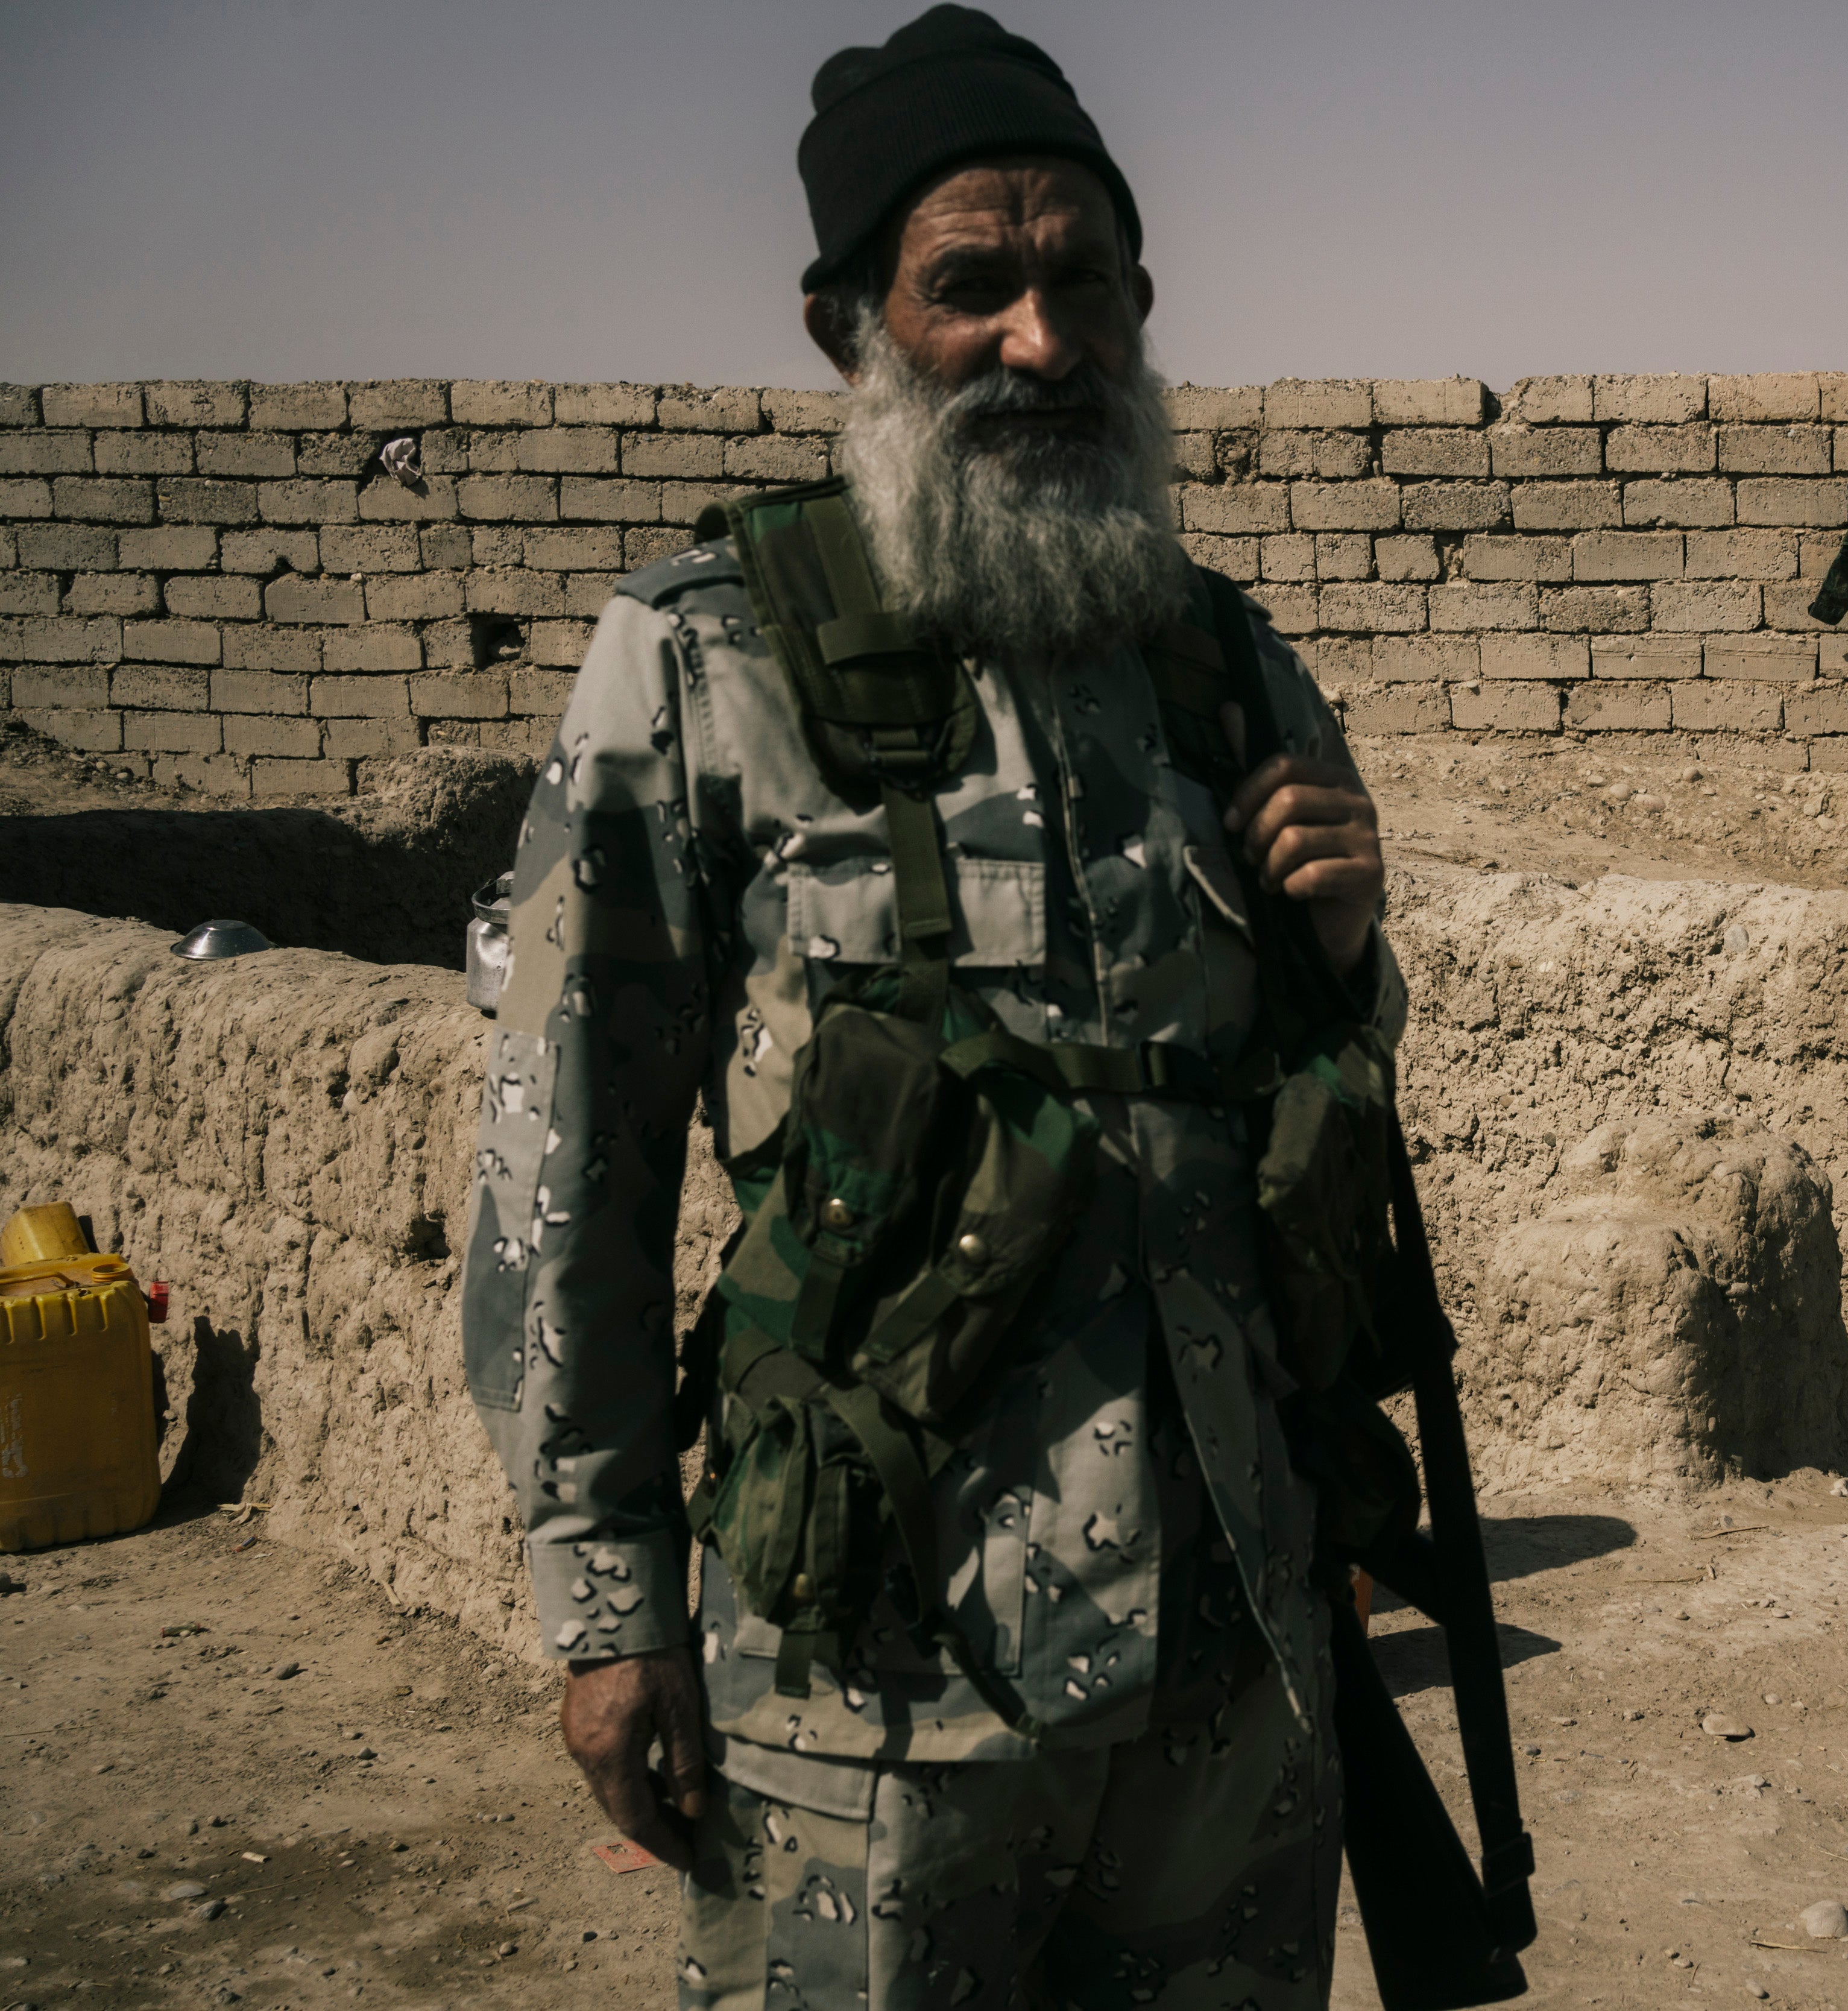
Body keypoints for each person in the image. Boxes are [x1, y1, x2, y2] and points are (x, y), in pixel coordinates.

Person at [458, 10, 1394, 2004]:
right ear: (851, 330)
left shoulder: (1227, 665)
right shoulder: (703, 657)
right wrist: (609, 1604)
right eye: (973, 285)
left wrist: (1350, 947)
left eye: (1087, 284)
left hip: (1227, 1679)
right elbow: (570, 1161)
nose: (1041, 345)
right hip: (871, 1694)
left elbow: (1314, 1104)